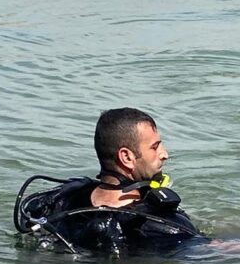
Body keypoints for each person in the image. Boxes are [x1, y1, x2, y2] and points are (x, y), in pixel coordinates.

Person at [14, 108, 202, 256]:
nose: (164, 154)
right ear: (126, 157)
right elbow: (205, 252)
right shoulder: (164, 225)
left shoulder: (60, 203)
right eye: (154, 147)